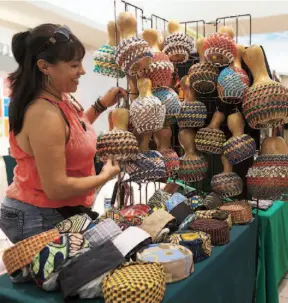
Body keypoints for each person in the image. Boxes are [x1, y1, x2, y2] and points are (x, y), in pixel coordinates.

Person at [0, 23, 125, 244]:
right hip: (38, 215)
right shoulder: (43, 113)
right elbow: (57, 188)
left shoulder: (60, 98)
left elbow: (75, 128)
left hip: (59, 210)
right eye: (74, 65)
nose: (82, 71)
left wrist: (101, 105)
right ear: (44, 66)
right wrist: (104, 177)